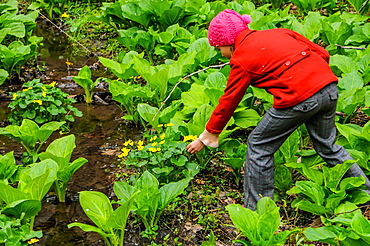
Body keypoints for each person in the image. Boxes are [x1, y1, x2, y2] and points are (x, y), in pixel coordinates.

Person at [185, 9, 370, 210]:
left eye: (218, 47)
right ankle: (365, 193)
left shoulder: (242, 59)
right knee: (328, 146)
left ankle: (258, 213)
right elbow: (323, 53)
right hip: (328, 88)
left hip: (299, 99)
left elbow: (229, 100)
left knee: (258, 145)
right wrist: (314, 80)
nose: (220, 53)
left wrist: (208, 134)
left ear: (228, 43)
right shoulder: (280, 32)